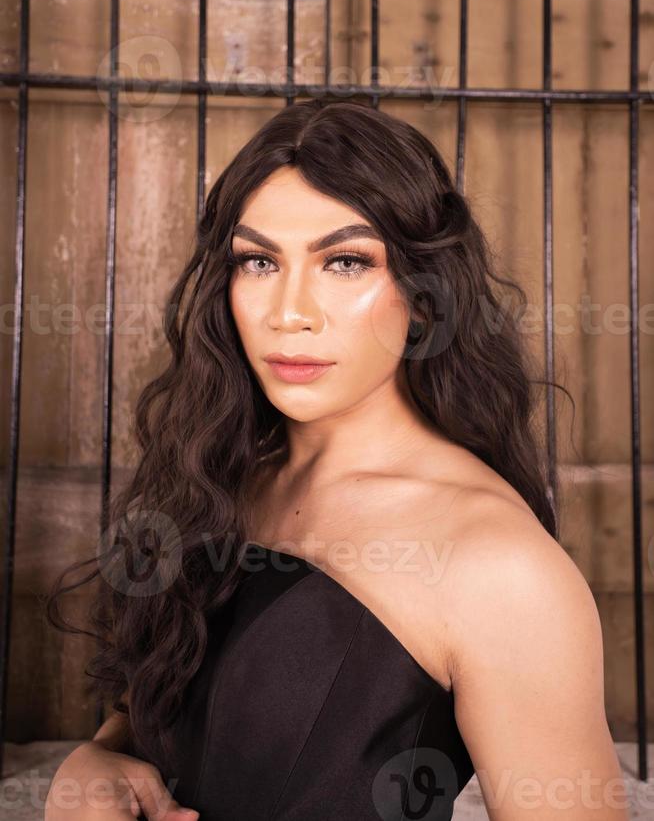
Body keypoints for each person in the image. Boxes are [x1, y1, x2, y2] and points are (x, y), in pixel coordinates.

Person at [44, 99, 628, 820]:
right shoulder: (213, 477)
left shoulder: (499, 564)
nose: (290, 311)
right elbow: (165, 715)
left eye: (345, 262)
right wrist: (97, 758)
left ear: (424, 293)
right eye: (259, 261)